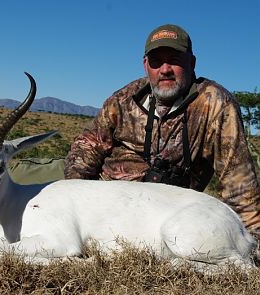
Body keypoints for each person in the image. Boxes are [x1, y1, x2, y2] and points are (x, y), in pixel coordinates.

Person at [64, 24, 260, 234]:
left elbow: (239, 185)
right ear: (145, 64)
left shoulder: (215, 104)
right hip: (102, 203)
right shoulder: (124, 98)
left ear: (192, 63)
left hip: (164, 215)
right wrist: (74, 200)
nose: (165, 70)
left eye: (174, 60)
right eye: (156, 62)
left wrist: (253, 239)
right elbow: (87, 147)